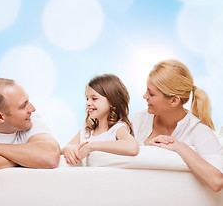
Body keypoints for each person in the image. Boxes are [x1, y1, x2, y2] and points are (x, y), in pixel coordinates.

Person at [132, 59, 223, 192]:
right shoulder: (140, 119)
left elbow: (217, 182)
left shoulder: (199, 131)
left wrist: (179, 146)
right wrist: (149, 149)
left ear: (174, 100)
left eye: (151, 93)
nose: (144, 96)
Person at [61, 74, 139, 165]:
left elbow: (133, 147)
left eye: (94, 99)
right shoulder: (86, 130)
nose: (88, 103)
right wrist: (67, 149)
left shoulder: (117, 129)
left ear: (112, 102)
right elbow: (61, 152)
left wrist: (91, 146)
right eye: (87, 98)